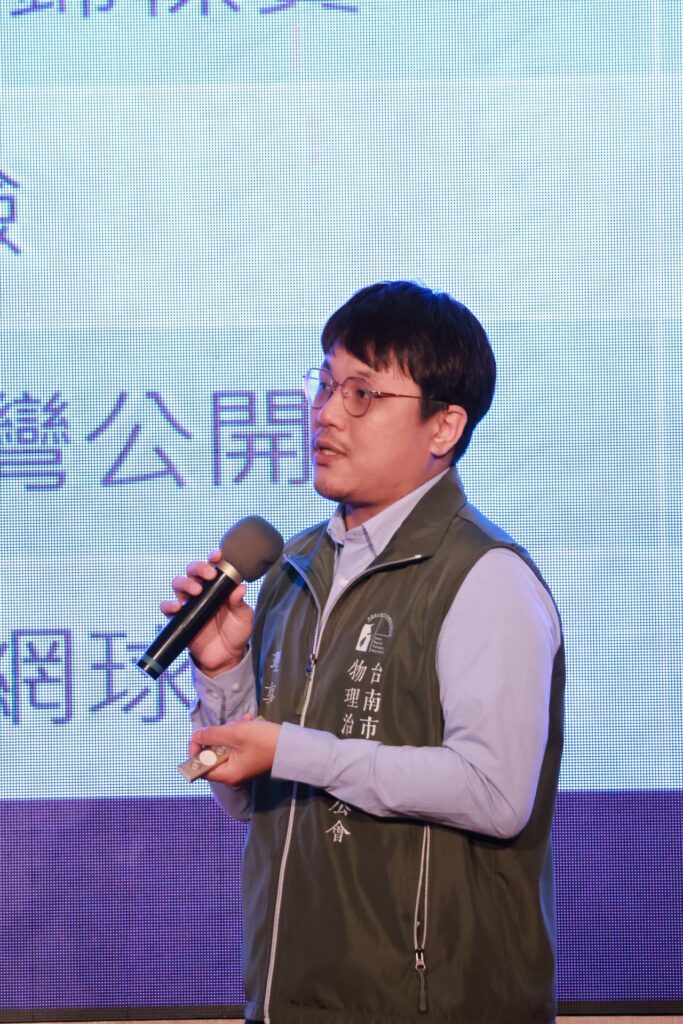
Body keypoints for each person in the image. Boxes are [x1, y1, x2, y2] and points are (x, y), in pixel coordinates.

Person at [163, 281, 564, 1024]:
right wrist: (223, 674)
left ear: (443, 426)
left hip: (430, 1005)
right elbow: (249, 802)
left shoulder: (484, 576)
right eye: (324, 386)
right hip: (287, 999)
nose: (325, 414)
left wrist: (293, 749)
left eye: (362, 394)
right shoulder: (291, 567)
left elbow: (496, 794)